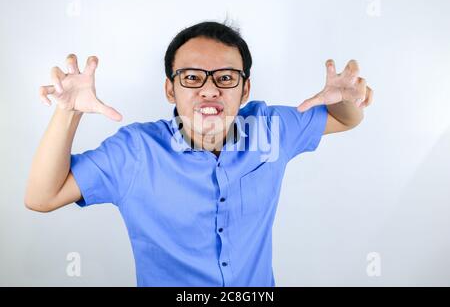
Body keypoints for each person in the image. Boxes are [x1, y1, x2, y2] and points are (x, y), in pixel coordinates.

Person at [24, 21, 373, 286]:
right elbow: (42, 197)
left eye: (225, 77)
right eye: (191, 77)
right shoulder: (134, 152)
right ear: (170, 89)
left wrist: (348, 99)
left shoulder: (271, 128)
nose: (209, 89)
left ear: (245, 88)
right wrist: (68, 111)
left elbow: (345, 119)